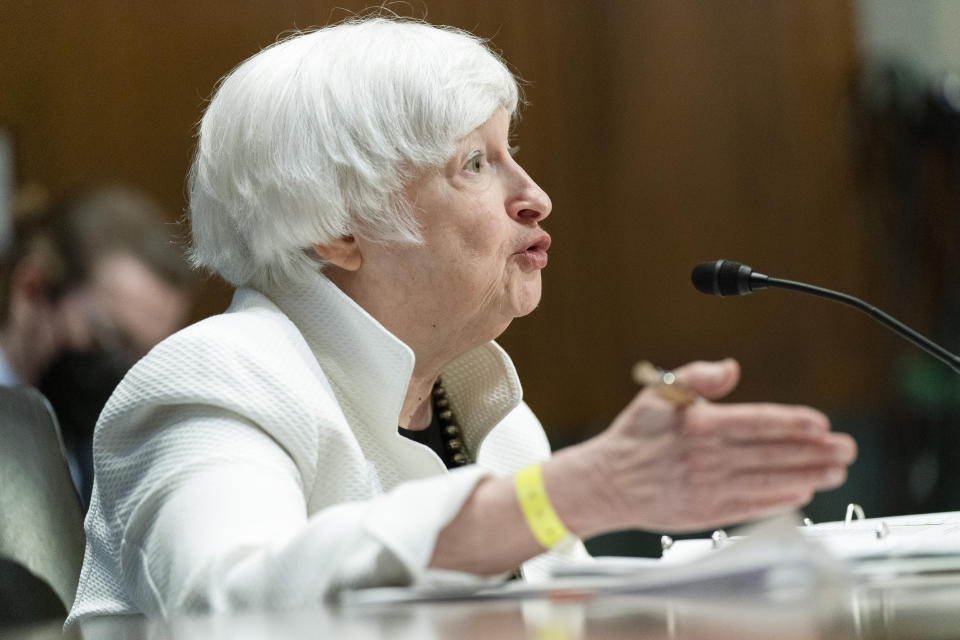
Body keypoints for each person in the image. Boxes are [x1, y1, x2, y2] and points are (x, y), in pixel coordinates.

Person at [66, 17, 856, 629]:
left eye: (510, 152)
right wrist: (579, 490)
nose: (535, 195)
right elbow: (228, 604)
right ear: (337, 228)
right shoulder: (216, 378)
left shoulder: (485, 413)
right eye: (475, 164)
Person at [0, 186, 193, 505]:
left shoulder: (98, 448)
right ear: (32, 290)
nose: (129, 376)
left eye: (148, 358)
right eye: (110, 340)